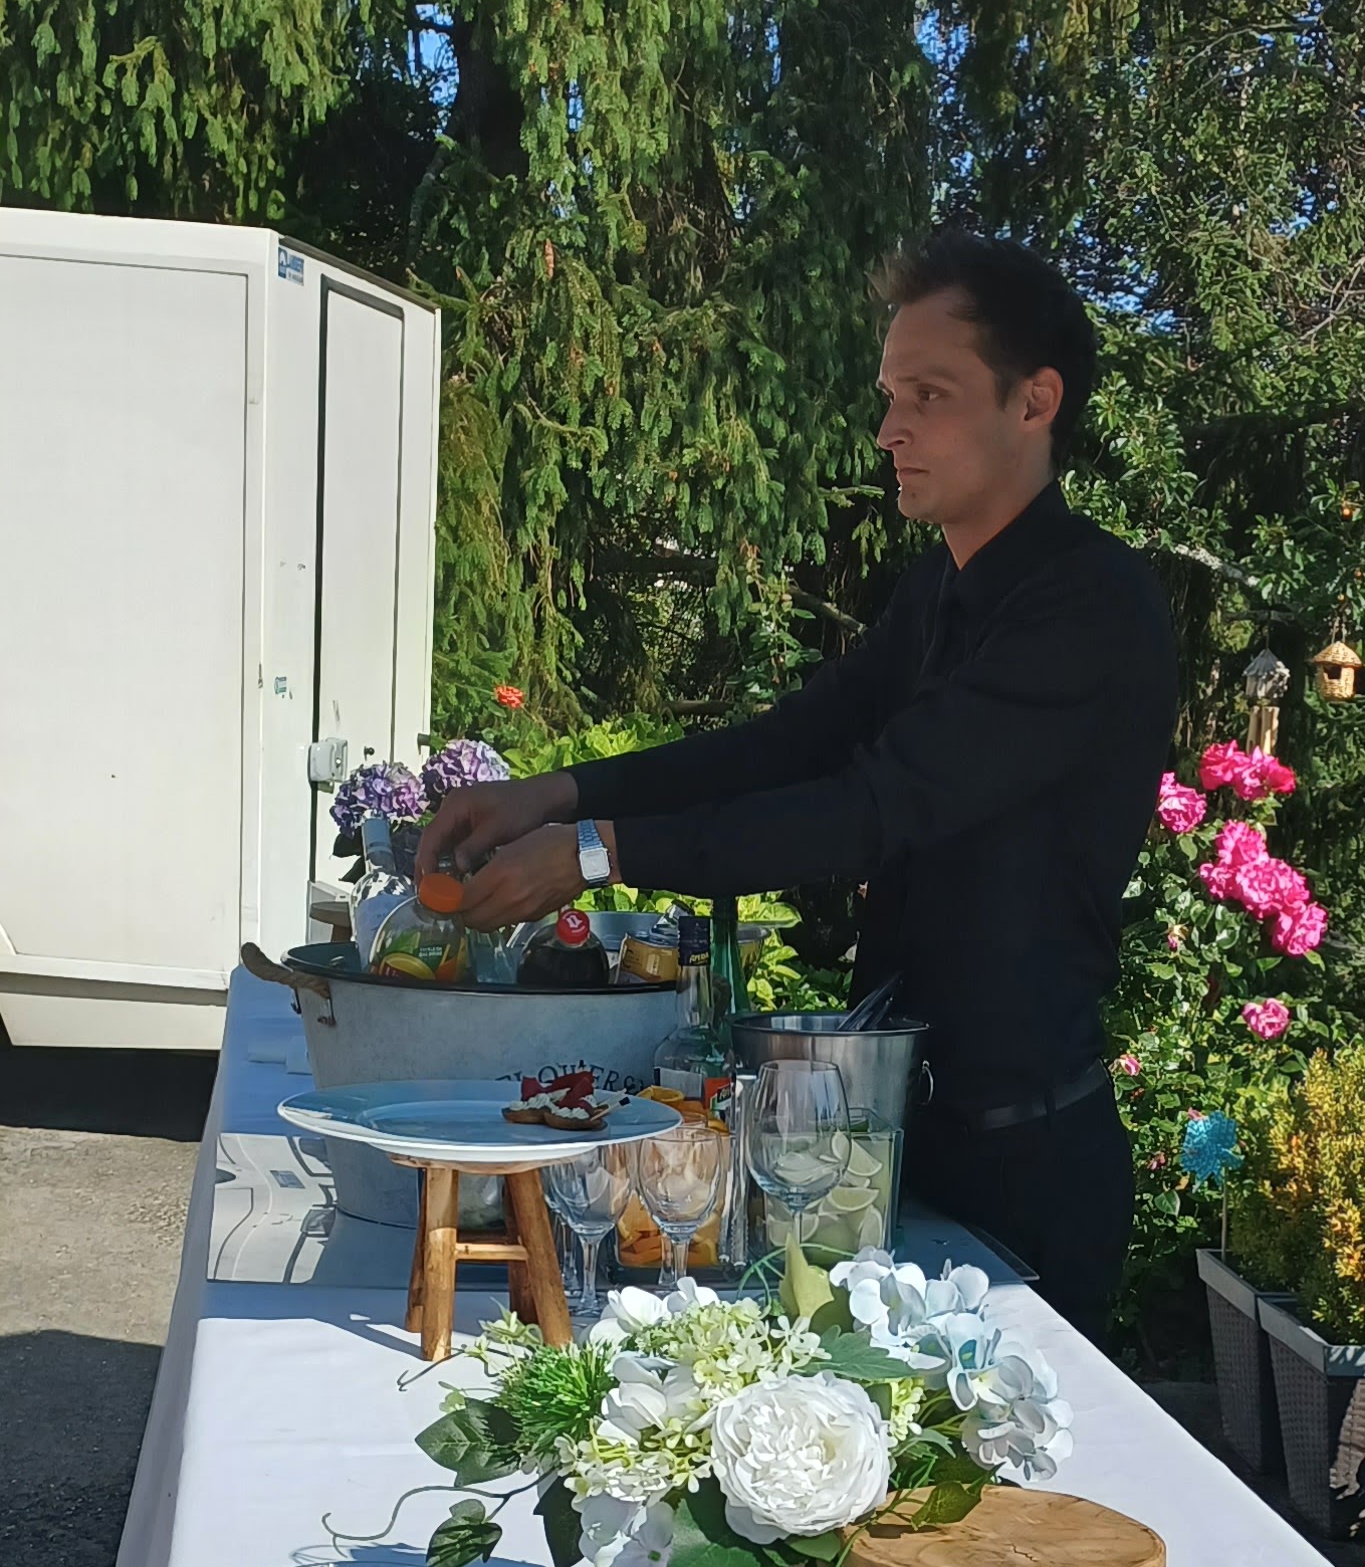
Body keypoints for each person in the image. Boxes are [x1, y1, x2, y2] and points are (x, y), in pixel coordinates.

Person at [421, 232, 1177, 1340]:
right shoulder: (939, 591)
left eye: (929, 395)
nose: (890, 431)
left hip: (1026, 1172)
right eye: (889, 396)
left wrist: (596, 855)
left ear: (1035, 401)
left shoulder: (1090, 608)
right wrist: (559, 794)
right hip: (895, 1145)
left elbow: (868, 809)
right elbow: (787, 746)